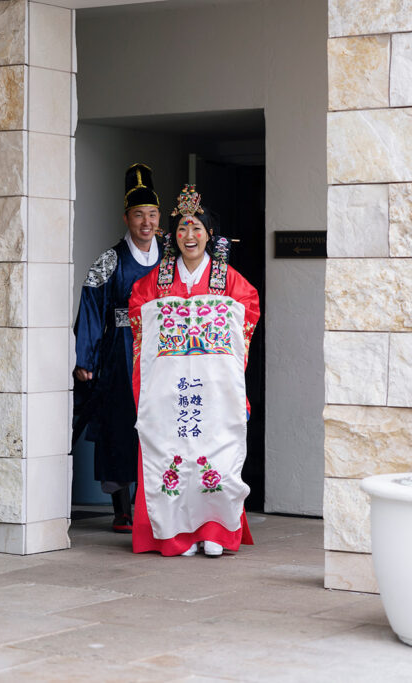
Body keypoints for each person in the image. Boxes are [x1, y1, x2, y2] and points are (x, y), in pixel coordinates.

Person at [128, 184, 260, 557]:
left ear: (209, 235)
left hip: (213, 387)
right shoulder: (158, 281)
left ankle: (214, 530)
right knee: (172, 453)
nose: (189, 236)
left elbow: (248, 306)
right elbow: (139, 306)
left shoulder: (227, 279)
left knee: (214, 452)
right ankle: (173, 533)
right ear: (174, 236)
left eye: (196, 229)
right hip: (170, 388)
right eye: (183, 229)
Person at [73, 163, 162, 533]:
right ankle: (122, 508)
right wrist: (85, 357)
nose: (146, 223)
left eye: (153, 215)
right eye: (139, 215)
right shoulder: (110, 259)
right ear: (126, 218)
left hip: (161, 349)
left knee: (158, 424)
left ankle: (155, 501)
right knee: (120, 424)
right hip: (120, 353)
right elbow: (91, 305)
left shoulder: (171, 256)